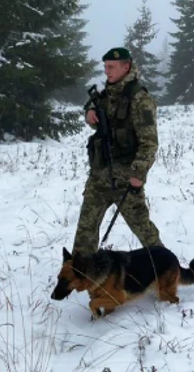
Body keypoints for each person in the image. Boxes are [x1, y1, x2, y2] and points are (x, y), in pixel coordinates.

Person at [71, 47, 164, 255]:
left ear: (126, 67)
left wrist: (138, 175)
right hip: (100, 174)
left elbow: (149, 142)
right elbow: (103, 125)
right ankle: (79, 272)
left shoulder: (140, 99)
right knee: (86, 227)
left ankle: (164, 270)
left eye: (111, 67)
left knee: (142, 228)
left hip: (126, 177)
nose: (107, 71)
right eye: (105, 67)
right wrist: (90, 112)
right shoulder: (106, 95)